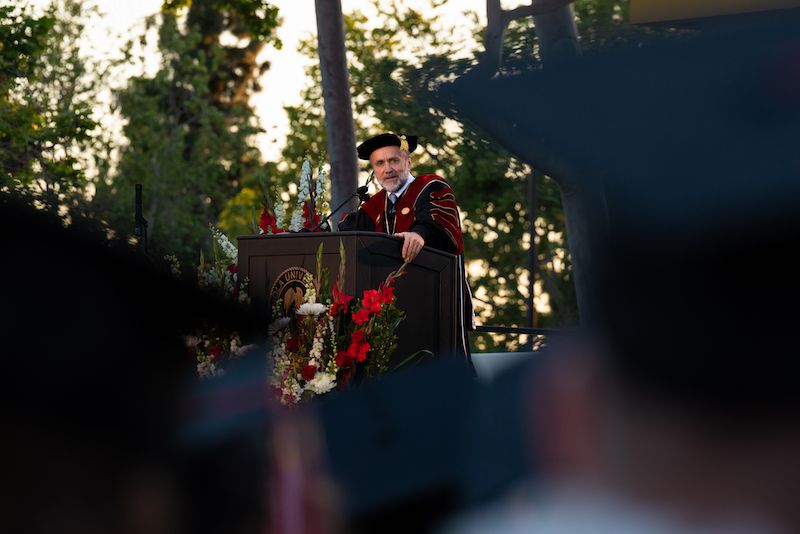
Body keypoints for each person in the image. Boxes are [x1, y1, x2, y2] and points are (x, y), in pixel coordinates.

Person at [338, 132, 475, 360]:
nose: (387, 169)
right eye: (380, 163)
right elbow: (348, 236)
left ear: (408, 162)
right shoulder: (374, 205)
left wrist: (419, 234)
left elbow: (438, 224)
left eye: (394, 160)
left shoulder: (431, 186)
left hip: (434, 302)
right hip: (390, 310)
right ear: (374, 170)